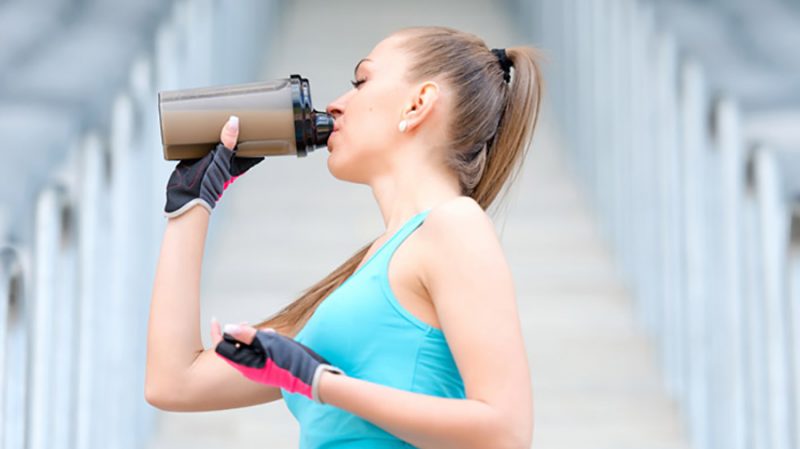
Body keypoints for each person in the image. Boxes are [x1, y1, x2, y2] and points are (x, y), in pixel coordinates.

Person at [145, 25, 544, 449]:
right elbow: (175, 383)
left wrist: (323, 383)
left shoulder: (454, 225)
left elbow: (506, 431)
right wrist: (192, 204)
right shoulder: (363, 275)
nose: (335, 105)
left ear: (418, 103)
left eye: (362, 81)